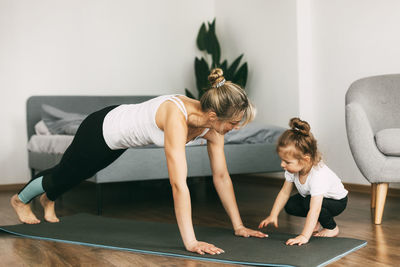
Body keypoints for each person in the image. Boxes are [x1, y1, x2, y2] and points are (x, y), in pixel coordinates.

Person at [11, 68, 268, 255]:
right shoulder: (176, 117)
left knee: (75, 174)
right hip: (101, 129)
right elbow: (179, 185)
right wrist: (191, 242)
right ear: (213, 115)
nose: (235, 129)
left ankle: (48, 199)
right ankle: (20, 200)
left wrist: (239, 226)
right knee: (65, 173)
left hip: (120, 142)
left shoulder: (213, 129)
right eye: (233, 123)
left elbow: (221, 176)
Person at [258, 118, 348, 246]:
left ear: (305, 160)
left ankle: (332, 228)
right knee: (290, 205)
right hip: (314, 199)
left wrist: (304, 236)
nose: (282, 164)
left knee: (308, 203)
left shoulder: (318, 175)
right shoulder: (292, 170)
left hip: (338, 202)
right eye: (282, 160)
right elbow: (284, 193)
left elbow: (315, 209)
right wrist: (273, 215)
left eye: (287, 162)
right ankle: (316, 222)